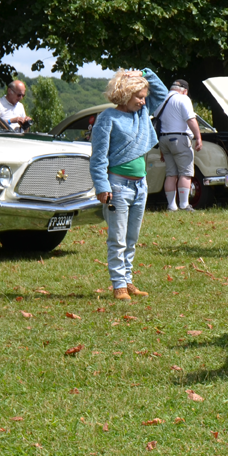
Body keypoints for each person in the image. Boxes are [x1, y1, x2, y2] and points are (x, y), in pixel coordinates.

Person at [88, 69, 169, 300]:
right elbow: (99, 156)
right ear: (125, 94)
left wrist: (144, 73)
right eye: (139, 96)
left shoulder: (142, 113)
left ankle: (128, 279)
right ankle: (118, 285)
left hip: (140, 186)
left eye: (144, 96)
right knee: (118, 238)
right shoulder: (107, 118)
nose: (143, 101)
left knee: (132, 238)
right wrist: (102, 186)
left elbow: (161, 93)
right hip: (117, 187)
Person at [156, 79, 203, 211]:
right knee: (185, 172)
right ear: (185, 91)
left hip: (164, 139)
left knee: (171, 173)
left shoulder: (161, 101)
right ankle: (184, 204)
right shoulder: (183, 99)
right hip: (179, 138)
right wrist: (198, 137)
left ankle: (171, 206)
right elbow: (190, 119)